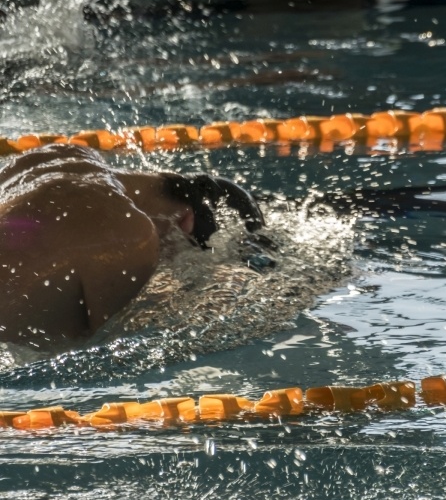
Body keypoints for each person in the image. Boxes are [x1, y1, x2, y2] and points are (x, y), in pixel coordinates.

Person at [0, 144, 268, 354]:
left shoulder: (64, 155)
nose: (170, 266)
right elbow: (107, 352)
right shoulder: (129, 233)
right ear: (186, 221)